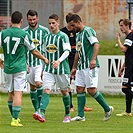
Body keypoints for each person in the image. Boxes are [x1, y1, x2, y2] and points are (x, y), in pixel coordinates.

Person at [0, 11, 48, 127]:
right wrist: (44, 58)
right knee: (18, 93)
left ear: (11, 21)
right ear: (22, 21)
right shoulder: (23, 34)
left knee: (10, 93)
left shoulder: (3, 33)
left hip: (7, 68)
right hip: (20, 68)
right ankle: (15, 119)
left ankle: (14, 117)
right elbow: (34, 50)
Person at [68, 14, 113, 121]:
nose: (72, 28)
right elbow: (78, 53)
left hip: (90, 66)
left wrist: (93, 59)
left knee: (91, 90)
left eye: (73, 25)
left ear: (78, 22)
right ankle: (80, 115)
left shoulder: (88, 31)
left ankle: (107, 109)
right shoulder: (78, 35)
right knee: (79, 88)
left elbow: (96, 44)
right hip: (81, 67)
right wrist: (74, 67)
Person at [34, 14, 71, 123]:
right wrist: (42, 69)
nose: (51, 25)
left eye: (53, 23)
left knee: (64, 92)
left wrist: (59, 61)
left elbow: (67, 51)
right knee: (46, 90)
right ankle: (41, 113)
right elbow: (44, 55)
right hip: (49, 70)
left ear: (58, 23)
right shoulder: (46, 37)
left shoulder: (63, 36)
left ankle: (67, 114)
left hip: (62, 70)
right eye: (49, 23)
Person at [60, 13, 92, 112]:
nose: (72, 27)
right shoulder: (62, 32)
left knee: (81, 84)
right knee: (68, 83)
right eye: (71, 24)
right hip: (67, 60)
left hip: (78, 59)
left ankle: (82, 105)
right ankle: (70, 106)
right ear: (68, 23)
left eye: (73, 24)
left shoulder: (78, 32)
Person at [23, 9, 49, 119]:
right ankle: (37, 110)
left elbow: (48, 47)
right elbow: (22, 50)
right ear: (27, 19)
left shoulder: (44, 31)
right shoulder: (24, 32)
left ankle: (40, 110)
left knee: (39, 83)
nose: (32, 21)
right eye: (30, 19)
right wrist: (25, 63)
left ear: (37, 18)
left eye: (34, 19)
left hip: (40, 62)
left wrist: (46, 62)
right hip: (29, 63)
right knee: (32, 86)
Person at [116, 19, 133, 117]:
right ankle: (128, 111)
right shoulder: (129, 36)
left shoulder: (130, 36)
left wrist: (118, 39)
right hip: (128, 66)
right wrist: (123, 67)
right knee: (127, 87)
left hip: (131, 67)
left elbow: (123, 49)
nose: (120, 27)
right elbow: (128, 54)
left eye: (122, 25)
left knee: (124, 88)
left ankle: (128, 111)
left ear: (127, 26)